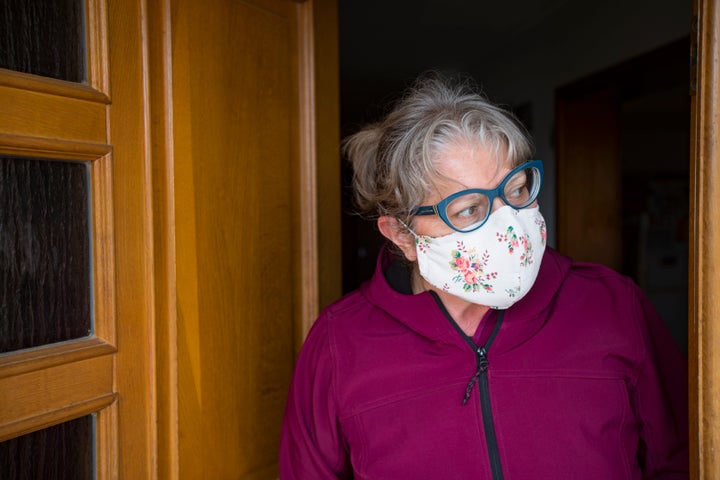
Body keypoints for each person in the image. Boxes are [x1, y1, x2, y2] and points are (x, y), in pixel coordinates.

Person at [279, 74, 688, 479]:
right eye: (469, 210)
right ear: (402, 234)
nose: (507, 223)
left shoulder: (612, 305)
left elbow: (684, 458)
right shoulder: (339, 343)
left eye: (516, 189)